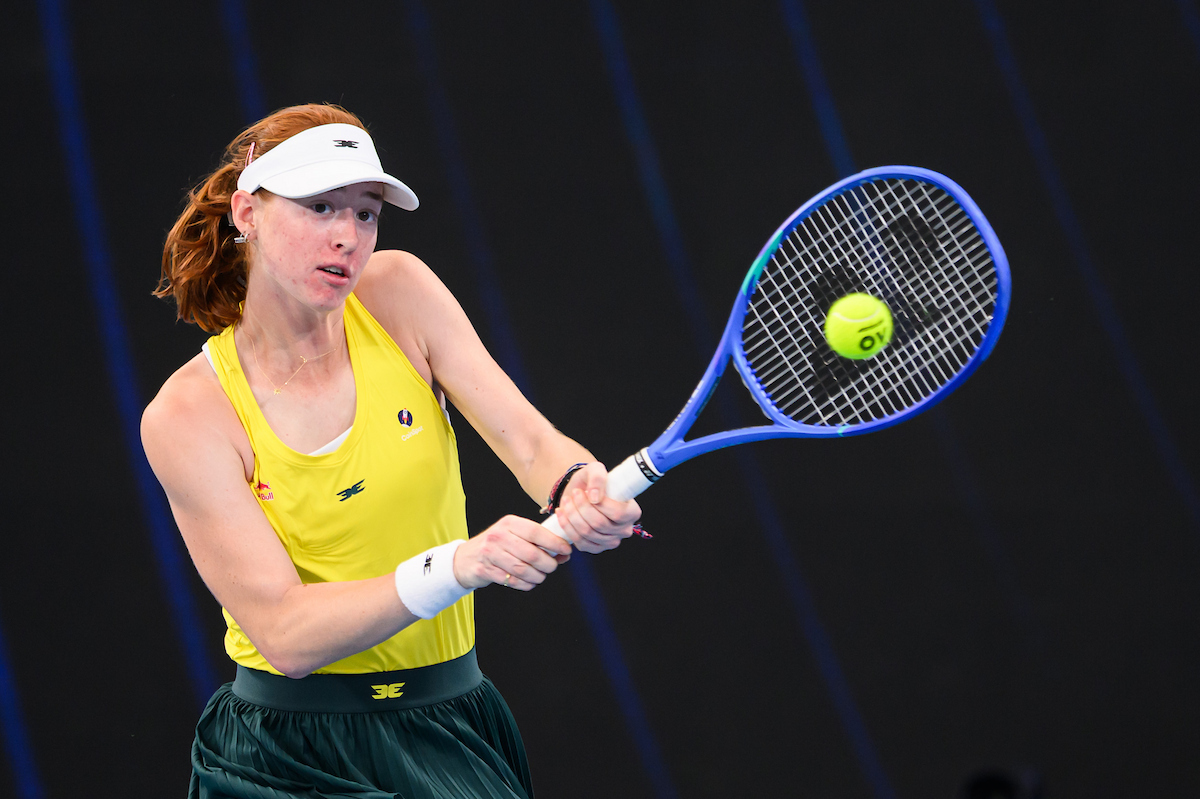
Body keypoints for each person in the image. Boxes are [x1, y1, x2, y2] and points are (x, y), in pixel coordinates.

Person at [141, 102, 641, 798]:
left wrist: (576, 483)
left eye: (367, 212)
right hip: (279, 756)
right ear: (247, 211)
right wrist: (457, 565)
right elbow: (286, 632)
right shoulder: (187, 413)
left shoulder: (399, 293)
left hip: (450, 726)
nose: (348, 236)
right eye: (320, 206)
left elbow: (530, 440)